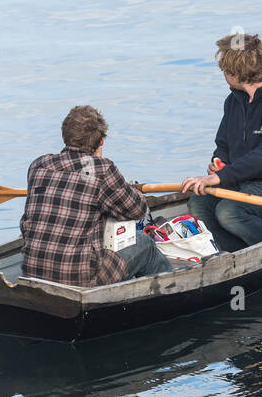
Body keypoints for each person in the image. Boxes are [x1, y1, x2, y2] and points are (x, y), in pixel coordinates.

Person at [180, 33, 262, 252]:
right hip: (243, 180)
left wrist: (221, 176)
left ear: (233, 72)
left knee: (229, 212)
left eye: (223, 68)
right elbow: (223, 143)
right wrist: (219, 161)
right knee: (198, 204)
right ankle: (231, 254)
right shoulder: (233, 102)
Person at [20, 105, 171, 286]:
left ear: (63, 138)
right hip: (81, 279)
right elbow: (137, 211)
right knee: (145, 244)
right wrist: (131, 191)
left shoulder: (38, 165)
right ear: (101, 141)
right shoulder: (102, 169)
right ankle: (174, 290)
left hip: (31, 270)